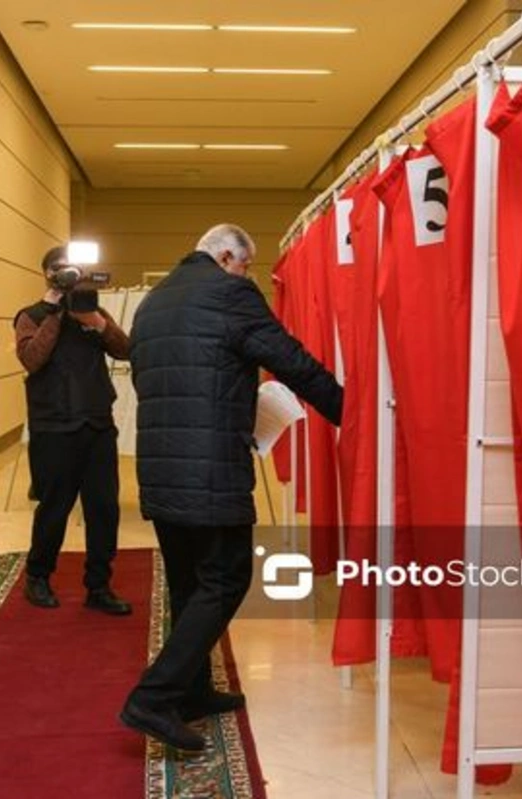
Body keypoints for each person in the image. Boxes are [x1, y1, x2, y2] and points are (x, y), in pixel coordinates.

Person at [120, 224, 343, 751]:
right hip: (210, 469)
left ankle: (192, 691)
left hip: (160, 467)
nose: (249, 277)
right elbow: (291, 362)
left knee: (187, 582)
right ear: (226, 256)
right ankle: (153, 698)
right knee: (227, 576)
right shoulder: (230, 293)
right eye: (247, 267)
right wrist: (351, 414)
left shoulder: (152, 303)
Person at [13, 245, 132, 615]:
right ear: (47, 274)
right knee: (54, 507)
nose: (67, 275)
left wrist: (95, 321)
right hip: (53, 427)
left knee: (103, 509)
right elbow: (32, 360)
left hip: (97, 423)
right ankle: (38, 576)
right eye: (59, 269)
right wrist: (55, 311)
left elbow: (125, 349)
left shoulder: (91, 310)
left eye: (72, 269)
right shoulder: (30, 315)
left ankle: (99, 585)